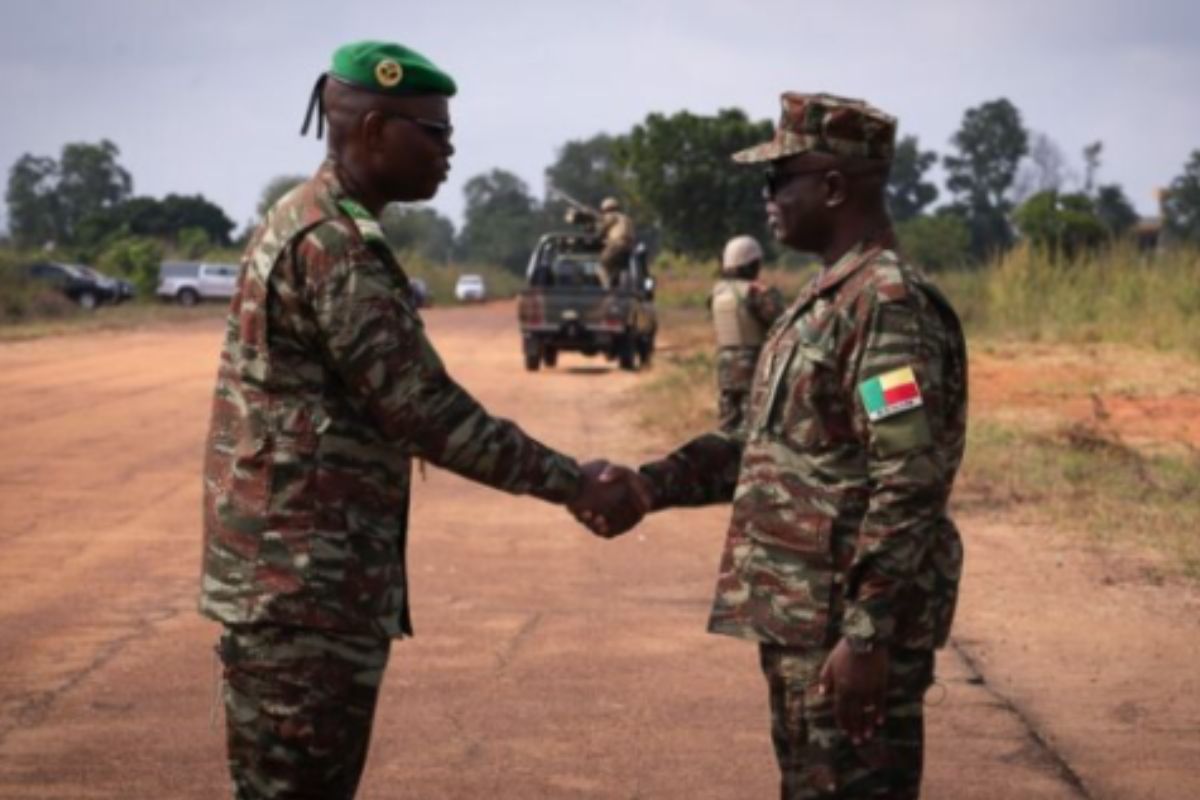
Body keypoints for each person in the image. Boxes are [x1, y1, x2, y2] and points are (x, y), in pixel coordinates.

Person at [199, 41, 618, 800]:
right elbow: (423, 410)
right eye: (433, 131)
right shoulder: (334, 246)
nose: (450, 148)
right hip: (304, 588)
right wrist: (572, 482)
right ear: (373, 128)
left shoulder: (314, 220)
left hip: (302, 581)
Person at [578, 93, 968, 799]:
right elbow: (758, 446)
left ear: (832, 185)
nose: (767, 199)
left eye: (778, 179)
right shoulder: (823, 299)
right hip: (803, 623)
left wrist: (869, 633)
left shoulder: (887, 307)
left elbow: (909, 477)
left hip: (843, 633)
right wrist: (648, 486)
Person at [708, 234, 785, 434]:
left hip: (725, 367)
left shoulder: (717, 292)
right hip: (752, 365)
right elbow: (781, 322)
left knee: (729, 424)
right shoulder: (756, 292)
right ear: (752, 264)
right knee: (756, 424)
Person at [596, 196, 636, 287]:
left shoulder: (611, 216)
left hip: (616, 245)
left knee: (601, 266)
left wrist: (598, 224)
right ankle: (622, 289)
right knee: (621, 268)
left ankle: (607, 289)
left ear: (605, 209)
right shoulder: (627, 218)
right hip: (628, 247)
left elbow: (601, 231)